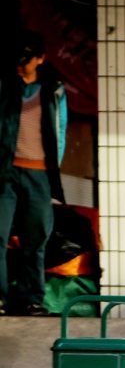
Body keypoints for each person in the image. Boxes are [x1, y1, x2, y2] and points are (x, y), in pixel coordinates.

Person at [0, 30, 67, 317]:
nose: (20, 63)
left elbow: (60, 131)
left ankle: (31, 298)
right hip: (5, 172)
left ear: (41, 58)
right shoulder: (5, 85)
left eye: (27, 59)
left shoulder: (53, 90)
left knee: (35, 238)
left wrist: (53, 172)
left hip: (39, 173)